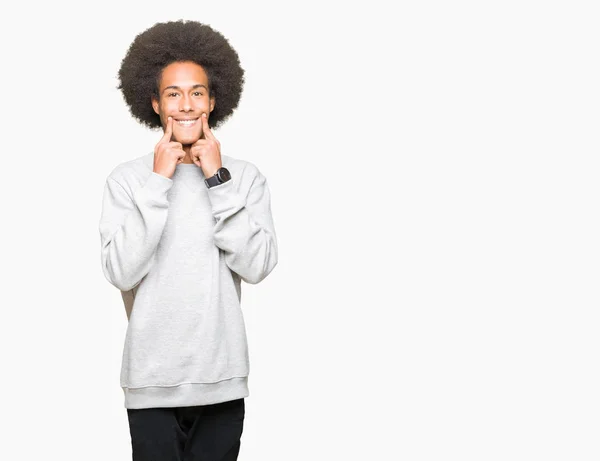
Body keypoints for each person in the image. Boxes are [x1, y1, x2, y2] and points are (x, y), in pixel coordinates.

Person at [98, 19, 278, 461]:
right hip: (151, 384)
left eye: (196, 92)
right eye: (173, 94)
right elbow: (120, 270)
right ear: (156, 103)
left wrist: (218, 179)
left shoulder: (244, 177)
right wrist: (159, 181)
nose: (186, 105)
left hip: (222, 378)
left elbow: (257, 266)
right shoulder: (127, 180)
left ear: (214, 100)